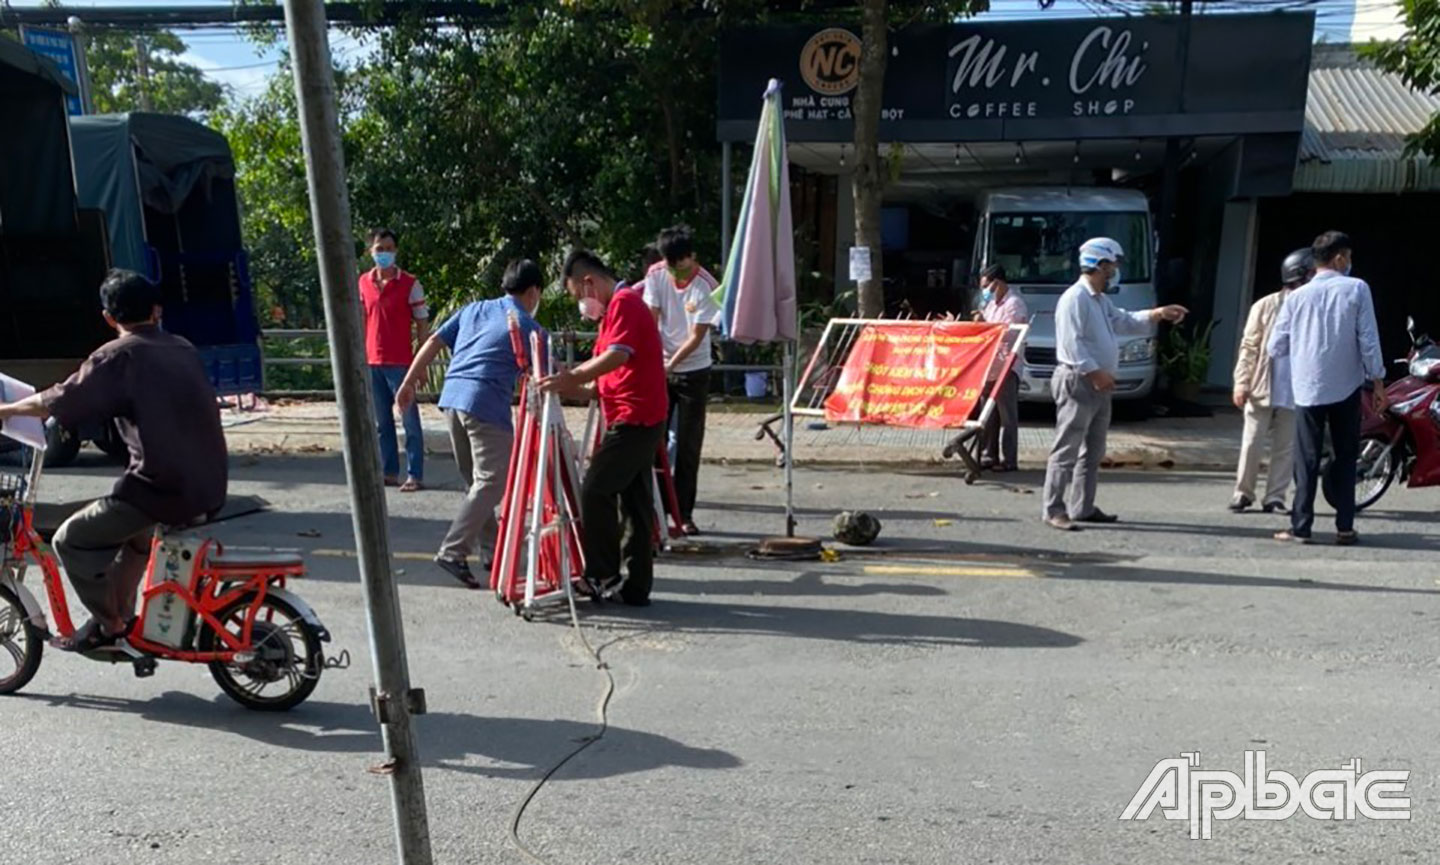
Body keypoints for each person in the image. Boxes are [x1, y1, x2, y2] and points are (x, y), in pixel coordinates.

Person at [0, 269, 227, 652]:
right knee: (135, 539)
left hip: (160, 488)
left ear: (108, 317)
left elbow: (58, 399)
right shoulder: (182, 347)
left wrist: (6, 410)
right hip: (208, 483)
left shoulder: (119, 355)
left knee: (70, 540)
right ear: (157, 310)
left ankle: (110, 625)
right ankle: (120, 618)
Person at [396, 260, 545, 589]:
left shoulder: (474, 309)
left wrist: (408, 382)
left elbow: (433, 341)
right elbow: (552, 378)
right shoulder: (528, 327)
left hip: (452, 400)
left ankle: (492, 551)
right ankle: (453, 551)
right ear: (534, 292)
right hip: (485, 405)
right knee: (492, 481)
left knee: (478, 483)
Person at [540, 250, 667, 606]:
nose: (581, 304)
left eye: (577, 296)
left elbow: (616, 356)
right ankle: (637, 586)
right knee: (636, 503)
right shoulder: (612, 313)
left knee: (596, 489)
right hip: (634, 414)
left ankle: (602, 572)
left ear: (589, 283)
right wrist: (570, 386)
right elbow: (605, 381)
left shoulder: (625, 303)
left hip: (636, 418)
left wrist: (573, 376)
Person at [1041, 238, 1188, 531]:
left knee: (1093, 451)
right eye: (1113, 264)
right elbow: (1072, 344)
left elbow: (1123, 321)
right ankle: (1053, 509)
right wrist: (1096, 373)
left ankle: (1082, 507)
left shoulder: (1099, 300)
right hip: (1080, 381)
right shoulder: (1075, 299)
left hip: (1100, 385)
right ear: (1100, 264)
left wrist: (1157, 314)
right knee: (1067, 450)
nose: (1116, 270)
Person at [1267, 230, 1386, 546]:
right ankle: (1344, 527)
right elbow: (1368, 339)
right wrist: (1377, 380)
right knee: (1346, 457)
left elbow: (1275, 346)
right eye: (1349, 257)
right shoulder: (1357, 288)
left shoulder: (1296, 297)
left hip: (1307, 388)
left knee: (1305, 458)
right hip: (1346, 387)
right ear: (1340, 258)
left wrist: (1305, 345)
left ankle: (1301, 527)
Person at [644, 225, 723, 535]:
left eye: (679, 264)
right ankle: (657, 510)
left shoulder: (707, 286)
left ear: (691, 257)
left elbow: (696, 336)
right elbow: (651, 319)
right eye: (669, 263)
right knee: (655, 440)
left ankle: (684, 513)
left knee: (689, 444)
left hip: (694, 371)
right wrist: (655, 362)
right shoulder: (655, 275)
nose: (674, 270)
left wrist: (671, 364)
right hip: (660, 368)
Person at [1228, 248, 1311, 513]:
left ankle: (1275, 497)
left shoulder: (1313, 306)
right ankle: (1243, 493)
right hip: (1262, 385)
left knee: (1286, 448)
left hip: (1296, 389)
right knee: (1252, 442)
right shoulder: (1265, 306)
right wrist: (1242, 382)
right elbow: (1249, 346)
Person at [360, 228, 429, 492]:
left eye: (389, 248)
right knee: (382, 422)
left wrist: (421, 364)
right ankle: (389, 471)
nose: (385, 253)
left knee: (409, 420)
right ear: (371, 252)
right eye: (380, 249)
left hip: (401, 363)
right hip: (372, 362)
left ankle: (415, 474)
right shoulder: (363, 283)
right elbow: (361, 319)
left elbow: (422, 324)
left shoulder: (410, 284)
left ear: (396, 251)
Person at [973, 263, 1029, 472]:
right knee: (988, 414)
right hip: (989, 367)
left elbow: (1009, 333)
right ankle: (989, 455)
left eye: (986, 287)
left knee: (1007, 417)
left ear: (997, 283)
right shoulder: (990, 305)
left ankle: (1009, 459)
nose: (984, 292)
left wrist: (986, 325)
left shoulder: (1014, 304)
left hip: (1007, 367)